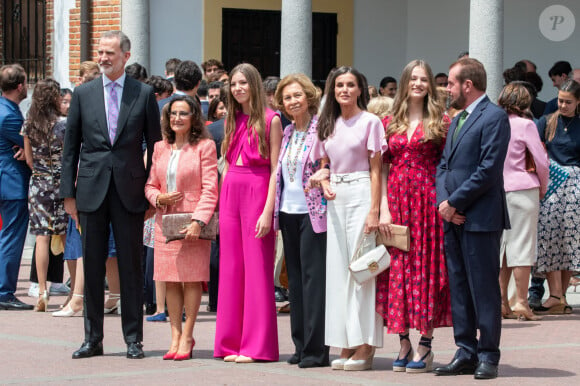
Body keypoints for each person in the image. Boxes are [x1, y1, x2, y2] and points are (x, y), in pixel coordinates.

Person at [60, 30, 161, 359]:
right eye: (100, 53)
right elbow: (70, 149)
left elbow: (155, 147)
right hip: (90, 191)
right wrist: (68, 195)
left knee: (131, 267)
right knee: (91, 266)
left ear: (126, 57)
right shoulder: (83, 93)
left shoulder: (143, 94)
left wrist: (151, 192)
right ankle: (93, 339)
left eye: (110, 53)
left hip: (131, 192)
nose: (103, 58)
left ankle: (134, 339)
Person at [434, 58, 510, 380]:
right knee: (459, 287)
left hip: (479, 218)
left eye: (451, 83)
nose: (447, 88)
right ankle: (465, 350)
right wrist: (443, 202)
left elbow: (488, 170)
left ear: (468, 84)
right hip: (452, 217)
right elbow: (443, 166)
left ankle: (488, 354)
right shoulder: (456, 119)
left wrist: (455, 201)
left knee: (483, 289)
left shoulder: (494, 117)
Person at [376, 60, 452, 373]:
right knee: (398, 270)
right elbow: (380, 167)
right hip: (395, 200)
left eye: (423, 79)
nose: (418, 84)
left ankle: (426, 342)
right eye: (413, 79)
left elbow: (449, 165)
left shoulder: (442, 120)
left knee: (426, 269)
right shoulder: (388, 120)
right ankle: (403, 339)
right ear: (405, 82)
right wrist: (381, 205)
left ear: (429, 85)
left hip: (428, 202)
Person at [310, 66, 385, 371]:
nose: (344, 90)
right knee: (339, 272)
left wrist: (375, 210)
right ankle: (345, 340)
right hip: (335, 200)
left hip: (362, 192)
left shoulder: (371, 121)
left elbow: (378, 170)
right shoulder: (327, 123)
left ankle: (365, 344)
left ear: (359, 89)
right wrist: (324, 182)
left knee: (362, 270)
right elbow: (323, 166)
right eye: (339, 85)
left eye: (350, 85)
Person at [214, 63, 282, 363]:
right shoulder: (233, 118)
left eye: (243, 83)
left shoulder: (272, 119)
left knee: (257, 270)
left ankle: (256, 346)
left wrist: (269, 211)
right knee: (231, 269)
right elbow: (226, 163)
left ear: (253, 84)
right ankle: (230, 343)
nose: (238, 88)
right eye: (234, 84)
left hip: (258, 191)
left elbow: (276, 168)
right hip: (231, 192)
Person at [145, 95, 218, 360]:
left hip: (193, 223)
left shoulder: (205, 146)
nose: (177, 118)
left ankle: (188, 334)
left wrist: (199, 221)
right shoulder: (159, 147)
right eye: (173, 113)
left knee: (190, 278)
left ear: (194, 117)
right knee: (170, 281)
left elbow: (211, 189)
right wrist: (158, 198)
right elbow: (150, 185)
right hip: (165, 221)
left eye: (183, 113)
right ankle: (174, 335)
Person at [272, 74, 329, 368]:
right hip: (288, 212)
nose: (292, 101)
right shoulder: (287, 132)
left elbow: (330, 165)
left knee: (313, 281)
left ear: (308, 97)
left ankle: (316, 349)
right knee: (294, 281)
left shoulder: (322, 130)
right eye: (287, 98)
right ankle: (299, 344)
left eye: (297, 95)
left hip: (314, 213)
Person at [496, 82, 549, 321]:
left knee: (502, 249)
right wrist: (542, 186)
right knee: (523, 248)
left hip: (497, 189)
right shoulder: (527, 124)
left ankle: (501, 302)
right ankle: (521, 301)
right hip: (523, 188)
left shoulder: (494, 123)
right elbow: (540, 160)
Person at [533, 79, 580, 315]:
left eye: (568, 102)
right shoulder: (548, 121)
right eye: (560, 100)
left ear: (578, 102)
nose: (563, 105)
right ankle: (554, 294)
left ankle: (561, 295)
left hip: (575, 186)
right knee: (550, 237)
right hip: (551, 184)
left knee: (569, 241)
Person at [21, 79, 69, 312]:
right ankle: (74, 291)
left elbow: (28, 159)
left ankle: (41, 289)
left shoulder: (29, 123)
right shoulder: (62, 124)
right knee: (68, 235)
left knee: (41, 237)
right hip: (62, 184)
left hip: (39, 183)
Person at [0, 64, 33, 311]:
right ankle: (4, 291)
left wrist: (24, 149)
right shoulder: (10, 114)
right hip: (11, 182)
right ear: (20, 86)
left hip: (6, 177)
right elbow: (28, 142)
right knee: (11, 237)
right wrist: (26, 148)